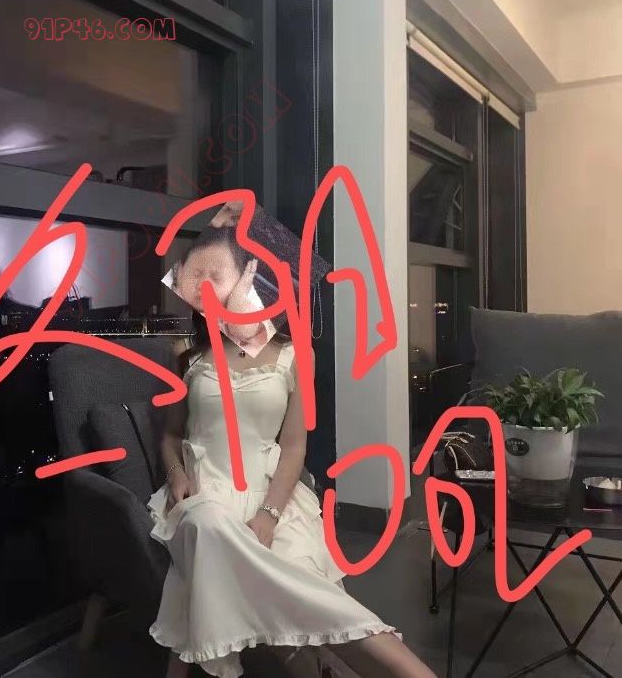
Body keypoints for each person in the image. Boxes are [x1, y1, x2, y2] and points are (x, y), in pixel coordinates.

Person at [146, 312, 437, 678]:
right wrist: (175, 474)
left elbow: (295, 446)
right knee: (208, 526)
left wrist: (269, 515)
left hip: (273, 496)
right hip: (205, 495)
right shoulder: (187, 353)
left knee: (301, 577)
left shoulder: (296, 354)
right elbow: (171, 435)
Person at [168, 225, 275, 356]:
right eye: (196, 274)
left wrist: (239, 293)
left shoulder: (247, 303)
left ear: (241, 278)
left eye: (216, 277)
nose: (202, 284)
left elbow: (242, 329)